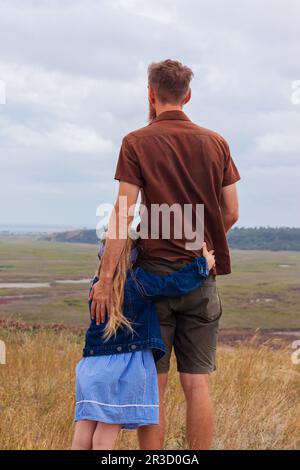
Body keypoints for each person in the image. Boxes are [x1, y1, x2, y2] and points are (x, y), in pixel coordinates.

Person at [90, 59, 240, 450]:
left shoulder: (136, 142)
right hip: (200, 278)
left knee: (152, 385)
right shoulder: (216, 142)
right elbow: (232, 211)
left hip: (151, 282)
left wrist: (106, 282)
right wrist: (203, 247)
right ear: (188, 95)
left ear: (150, 93)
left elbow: (123, 213)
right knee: (197, 383)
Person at [71, 236, 215, 450]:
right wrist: (202, 265)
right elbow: (172, 284)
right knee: (106, 431)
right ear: (135, 257)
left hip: (90, 368)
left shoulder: (96, 288)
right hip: (121, 372)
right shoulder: (139, 282)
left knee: (85, 427)